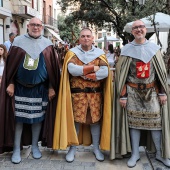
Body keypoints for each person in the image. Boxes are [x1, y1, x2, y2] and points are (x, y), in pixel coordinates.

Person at [110, 20, 170, 168]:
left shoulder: (154, 49)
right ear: (132, 31)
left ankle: (159, 154)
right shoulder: (126, 50)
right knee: (133, 123)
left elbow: (160, 73)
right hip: (132, 91)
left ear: (145, 29)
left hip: (152, 91)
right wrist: (123, 95)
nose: (138, 29)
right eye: (135, 27)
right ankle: (135, 153)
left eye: (141, 27)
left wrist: (162, 92)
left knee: (156, 124)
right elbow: (121, 75)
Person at [0, 17, 60, 164]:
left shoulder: (48, 44)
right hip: (19, 88)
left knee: (37, 119)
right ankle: (16, 148)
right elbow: (10, 67)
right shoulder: (18, 42)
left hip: (40, 89)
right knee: (18, 119)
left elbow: (53, 68)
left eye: (39, 25)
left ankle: (35, 146)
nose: (36, 27)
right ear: (28, 26)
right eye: (33, 25)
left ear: (41, 27)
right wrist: (11, 83)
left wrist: (52, 87)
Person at [53, 28, 112, 162]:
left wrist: (85, 74)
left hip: (95, 96)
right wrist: (92, 69)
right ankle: (73, 149)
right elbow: (72, 70)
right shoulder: (72, 53)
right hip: (77, 96)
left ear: (92, 38)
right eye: (83, 36)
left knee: (95, 121)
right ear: (79, 39)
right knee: (76, 122)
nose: (86, 38)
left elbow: (105, 72)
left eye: (88, 36)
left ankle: (96, 148)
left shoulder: (99, 54)